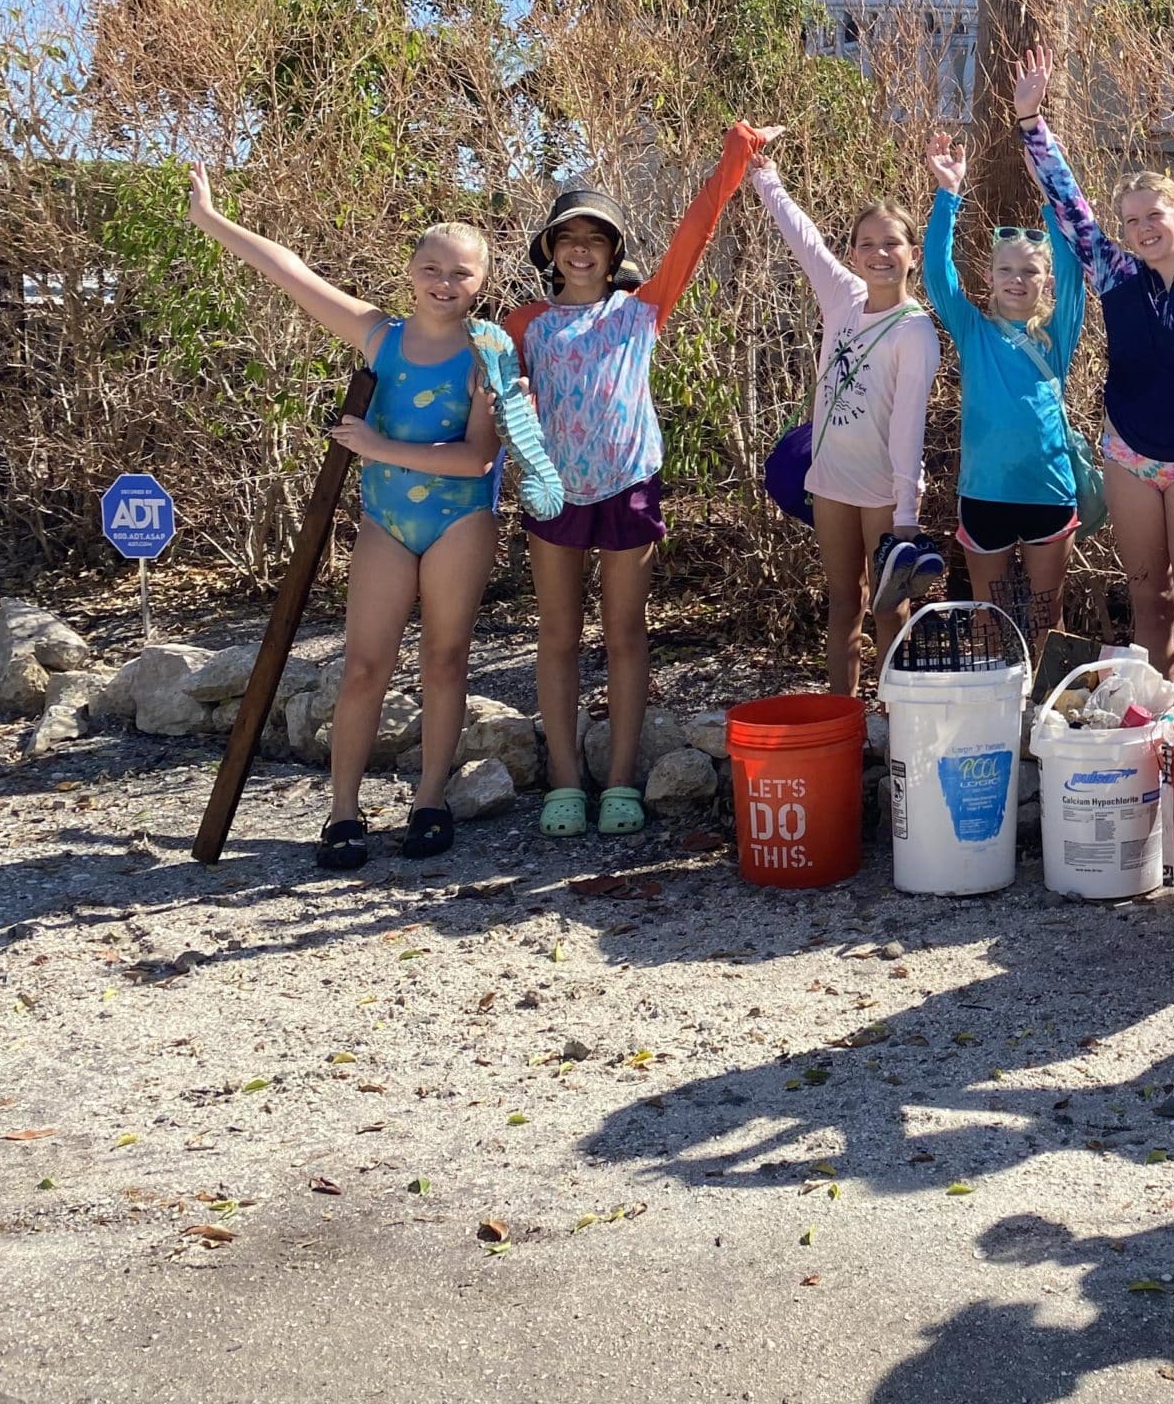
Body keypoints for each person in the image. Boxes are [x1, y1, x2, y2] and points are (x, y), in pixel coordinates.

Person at [185, 162, 502, 871]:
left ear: (481, 282)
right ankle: (343, 812)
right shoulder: (379, 337)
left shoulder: (489, 354)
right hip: (387, 523)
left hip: (460, 521)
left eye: (461, 274)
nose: (443, 284)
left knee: (446, 663)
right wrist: (211, 220)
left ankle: (429, 801)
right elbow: (293, 274)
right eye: (430, 268)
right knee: (364, 667)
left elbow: (478, 460)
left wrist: (378, 445)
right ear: (409, 272)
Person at [504, 126, 768, 838]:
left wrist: (736, 155)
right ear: (550, 252)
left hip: (629, 486)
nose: (581, 248)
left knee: (625, 632)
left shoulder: (642, 309)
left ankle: (619, 779)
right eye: (567, 237)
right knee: (557, 634)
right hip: (553, 491)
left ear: (614, 250)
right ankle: (564, 779)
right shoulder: (522, 322)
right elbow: (487, 392)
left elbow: (697, 229)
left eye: (595, 236)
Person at [1017, 45, 1174, 691]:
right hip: (1127, 457)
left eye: (1155, 216)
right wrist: (1032, 124)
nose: (1143, 228)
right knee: (1150, 606)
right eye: (1132, 221)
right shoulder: (1115, 274)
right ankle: (1154, 736)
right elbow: (1070, 207)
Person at [749, 152, 944, 694]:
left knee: (890, 608)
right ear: (854, 254)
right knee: (843, 603)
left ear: (912, 255)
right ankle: (844, 718)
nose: (879, 254)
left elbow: (908, 430)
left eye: (892, 244)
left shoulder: (915, 332)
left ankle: (897, 722)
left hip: (884, 491)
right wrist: (766, 175)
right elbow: (802, 235)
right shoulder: (843, 297)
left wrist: (906, 515)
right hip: (831, 482)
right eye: (867, 244)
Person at [924, 128, 1088, 655]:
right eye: (1006, 270)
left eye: (1030, 272)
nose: (1017, 280)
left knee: (1047, 617)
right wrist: (949, 193)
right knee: (985, 617)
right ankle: (989, 718)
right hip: (984, 494)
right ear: (990, 278)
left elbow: (1075, 268)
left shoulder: (1057, 334)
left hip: (1048, 493)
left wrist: (1052, 205)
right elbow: (935, 273)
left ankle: (1042, 721)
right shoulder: (972, 332)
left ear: (1045, 282)